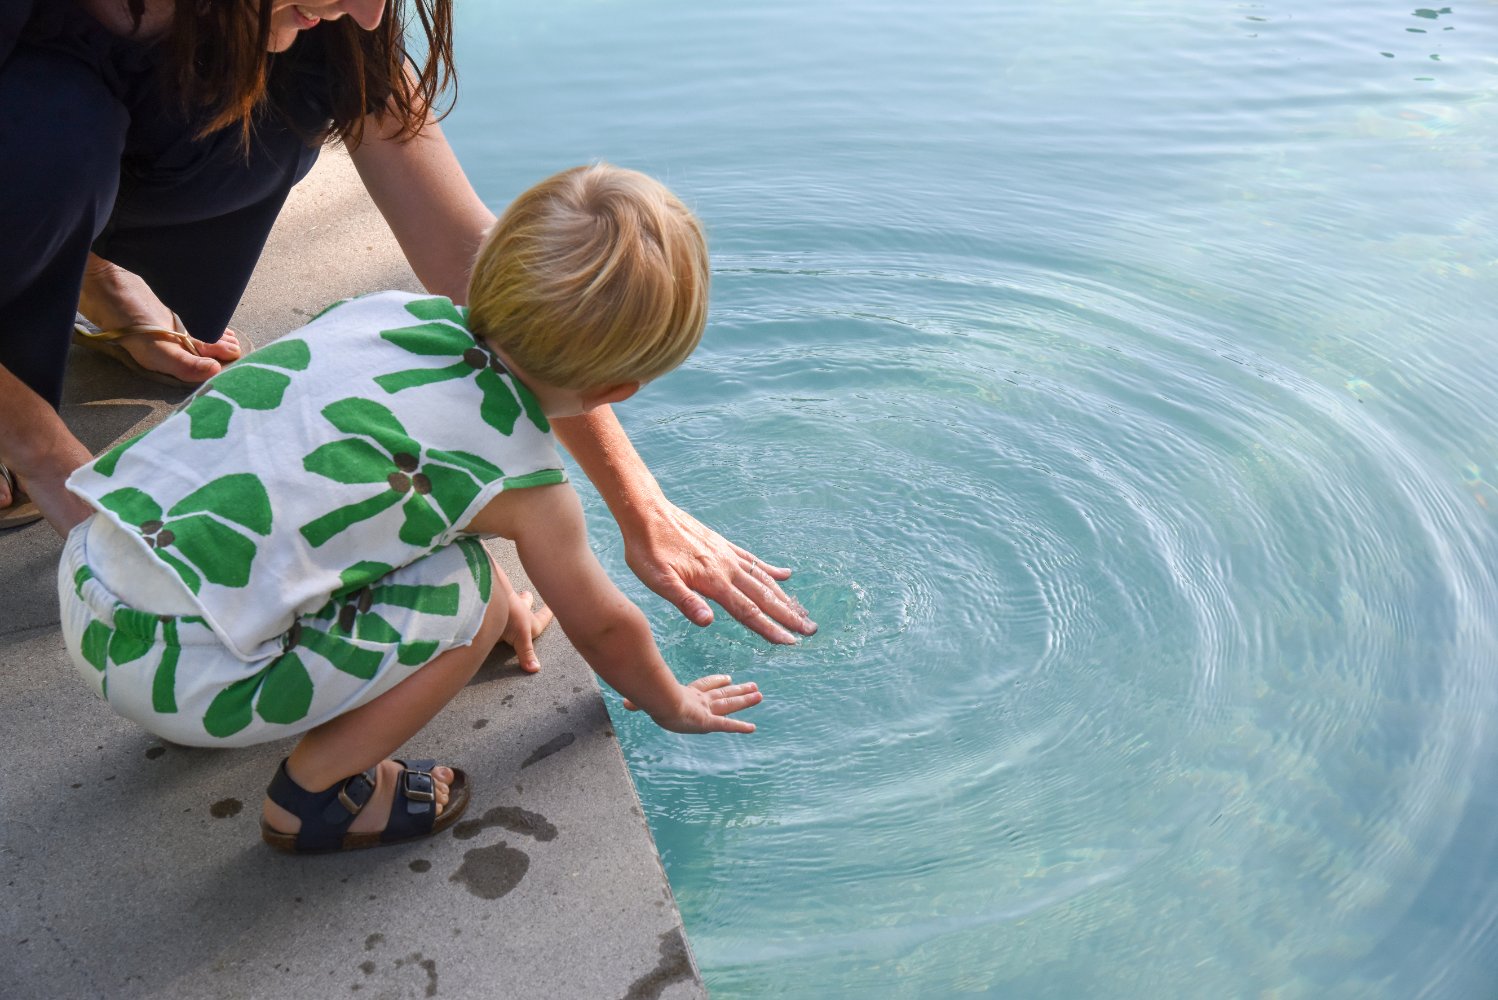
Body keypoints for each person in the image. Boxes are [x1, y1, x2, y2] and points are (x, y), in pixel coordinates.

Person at [0, 0, 816, 646]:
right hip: (36, 132)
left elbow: (474, 263)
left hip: (127, 110)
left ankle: (88, 269)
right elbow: (601, 629)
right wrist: (52, 460)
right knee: (47, 148)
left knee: (302, 81)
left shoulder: (340, 18)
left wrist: (642, 506)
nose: (365, 13)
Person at [58, 162, 767, 853]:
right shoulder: (529, 488)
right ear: (620, 390)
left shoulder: (384, 313)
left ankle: (210, 674)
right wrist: (672, 702)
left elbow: (334, 481)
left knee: (437, 544)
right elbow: (606, 629)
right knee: (476, 597)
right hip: (175, 677)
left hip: (89, 584)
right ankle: (315, 799)